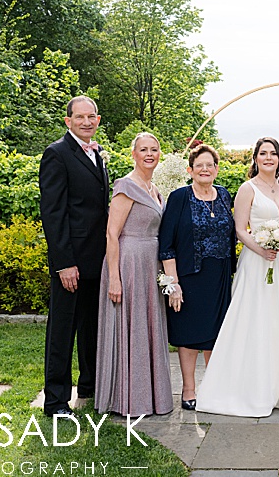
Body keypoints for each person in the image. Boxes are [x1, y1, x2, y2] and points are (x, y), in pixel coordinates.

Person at [196, 137, 279, 417]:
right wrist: (262, 249)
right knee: (256, 316)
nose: (268, 158)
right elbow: (240, 228)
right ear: (255, 158)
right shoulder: (247, 188)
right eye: (263, 153)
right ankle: (252, 381)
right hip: (257, 260)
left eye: (273, 154)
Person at [39, 95, 109, 417]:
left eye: (91, 116)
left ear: (97, 120)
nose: (86, 122)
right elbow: (53, 214)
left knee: (91, 327)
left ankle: (89, 387)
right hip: (71, 261)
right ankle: (55, 401)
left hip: (96, 258)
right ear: (68, 121)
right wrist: (64, 263)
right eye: (79, 117)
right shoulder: (56, 154)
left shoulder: (98, 154)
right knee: (63, 331)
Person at [95, 133, 173, 416]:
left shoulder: (155, 189)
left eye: (154, 149)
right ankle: (126, 398)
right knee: (131, 327)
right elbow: (111, 234)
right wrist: (114, 278)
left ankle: (150, 396)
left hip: (150, 264)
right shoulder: (126, 186)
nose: (149, 154)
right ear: (133, 154)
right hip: (128, 264)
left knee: (147, 326)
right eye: (143, 150)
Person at [158, 144, 235, 411]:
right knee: (189, 334)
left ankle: (212, 388)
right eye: (199, 165)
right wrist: (173, 283)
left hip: (220, 275)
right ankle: (188, 388)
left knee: (215, 334)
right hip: (189, 276)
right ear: (190, 170)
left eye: (210, 165)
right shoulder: (179, 197)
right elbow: (166, 243)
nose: (205, 169)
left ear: (216, 169)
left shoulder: (224, 195)